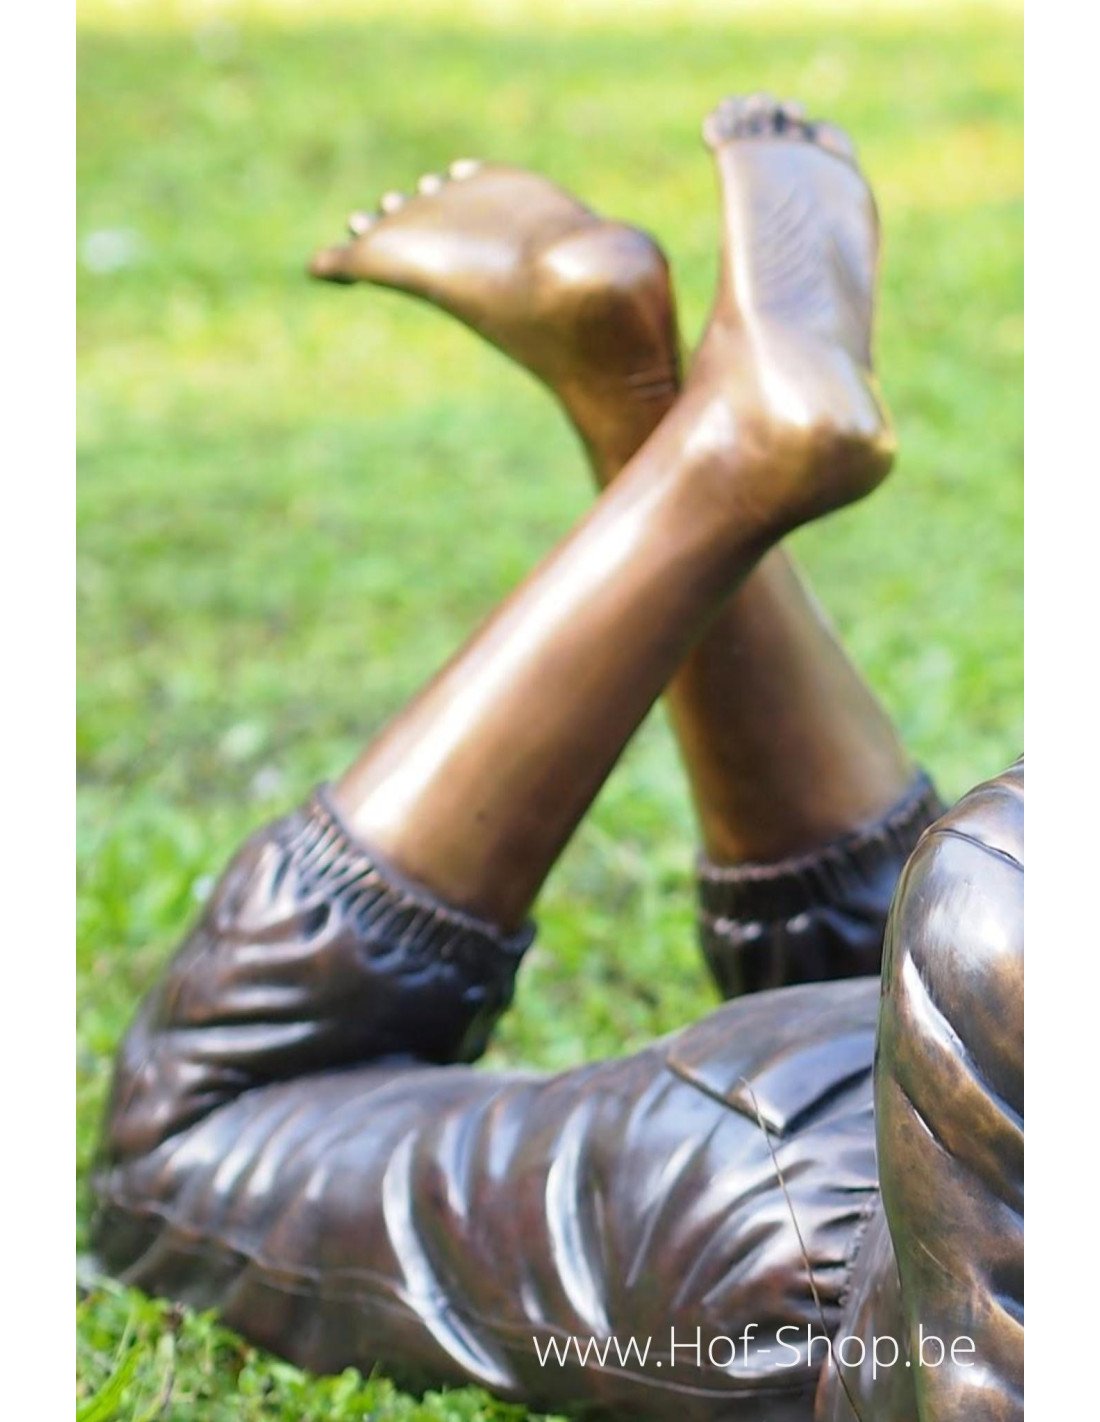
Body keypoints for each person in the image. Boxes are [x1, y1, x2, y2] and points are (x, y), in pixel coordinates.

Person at [90, 96, 1023, 1421]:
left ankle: (682, 428)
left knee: (177, 1157)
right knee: (193, 1151)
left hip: (904, 1150)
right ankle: (710, 447)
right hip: (843, 1219)